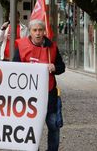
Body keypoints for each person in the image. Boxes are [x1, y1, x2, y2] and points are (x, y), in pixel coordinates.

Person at [13, 19, 65, 151]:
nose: (37, 33)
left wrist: (55, 67)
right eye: (34, 30)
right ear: (30, 32)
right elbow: (14, 68)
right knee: (30, 126)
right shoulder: (21, 46)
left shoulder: (52, 47)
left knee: (53, 125)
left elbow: (61, 67)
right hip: (28, 96)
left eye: (40, 30)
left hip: (49, 93)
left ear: (44, 31)